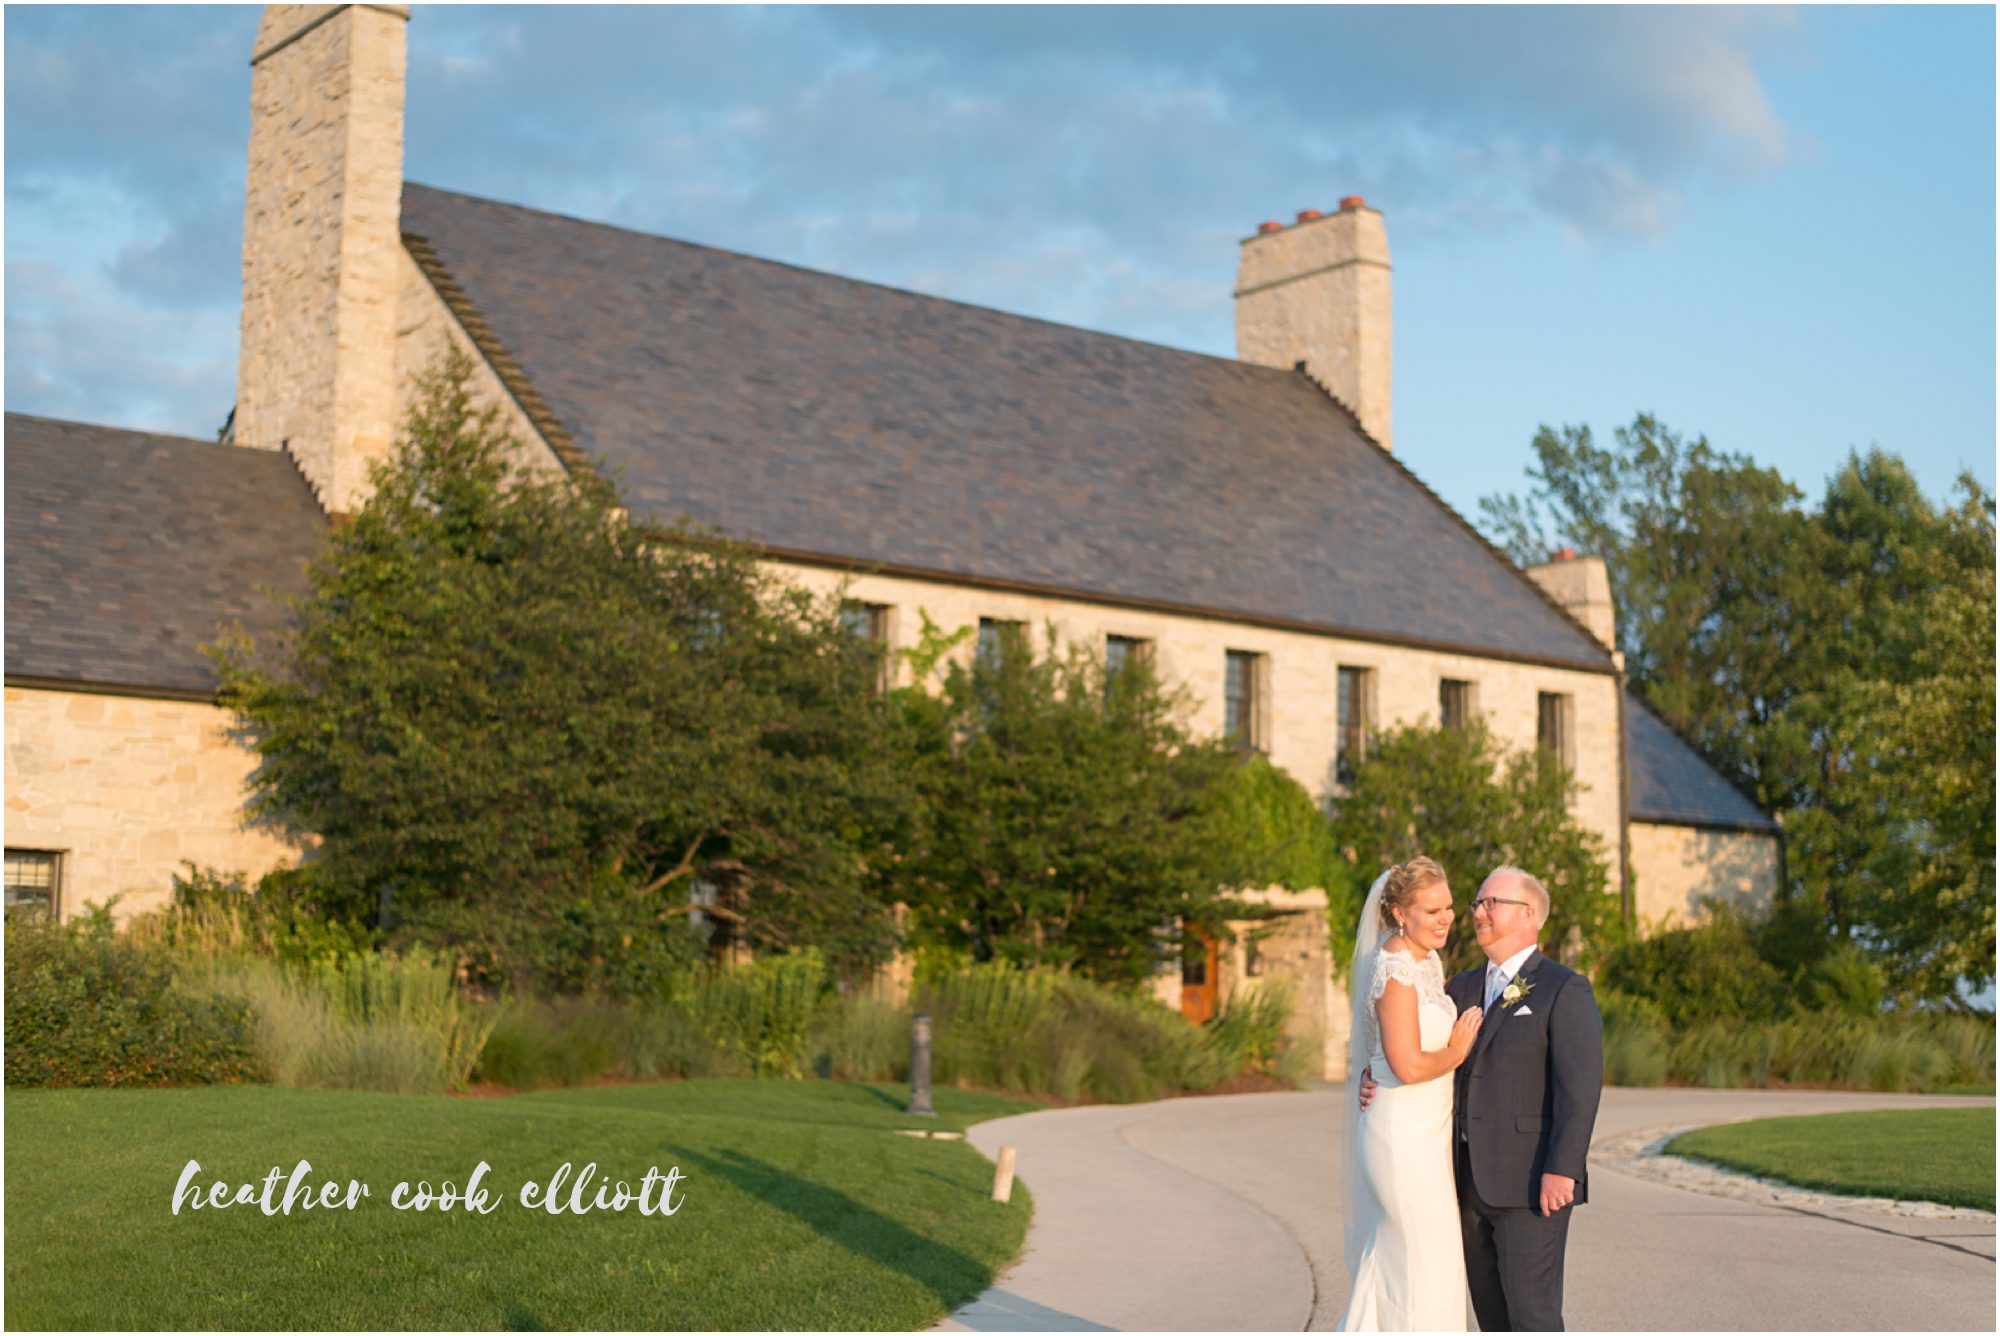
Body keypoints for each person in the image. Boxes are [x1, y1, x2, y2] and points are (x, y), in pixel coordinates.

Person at [1362, 865, 1604, 1331]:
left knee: (1532, 1313)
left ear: (1529, 914)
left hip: (1531, 1183)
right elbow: (1411, 1044)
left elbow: (1580, 1089)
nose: (1478, 912)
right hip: (1464, 1181)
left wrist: (1563, 1169)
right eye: (1478, 903)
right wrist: (1372, 1073)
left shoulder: (1563, 988)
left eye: (1493, 903)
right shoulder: (1459, 986)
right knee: (1490, 1314)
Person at [1338, 856, 1483, 1332]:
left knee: (1418, 1267)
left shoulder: (1427, 962)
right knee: (1423, 1265)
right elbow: (1408, 1063)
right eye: (1431, 910)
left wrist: (1369, 1069)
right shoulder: (1396, 971)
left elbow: (1381, 1050)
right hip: (1400, 1141)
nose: (1445, 919)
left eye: (1448, 908)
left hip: (1427, 1136)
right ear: (1399, 912)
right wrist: (1458, 1050)